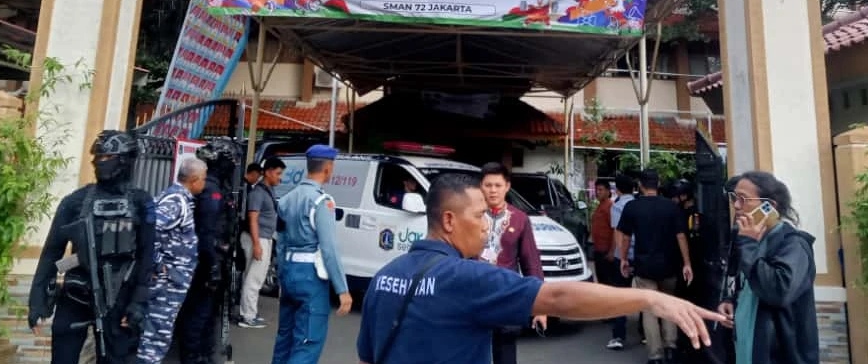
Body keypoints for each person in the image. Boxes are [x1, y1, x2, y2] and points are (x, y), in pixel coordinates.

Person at [355, 174, 728, 364]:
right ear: (449, 221)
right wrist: (649, 298)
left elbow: (368, 354)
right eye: (480, 215)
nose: (487, 225)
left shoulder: (386, 276)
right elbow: (558, 296)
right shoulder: (466, 278)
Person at [27, 131, 155, 364]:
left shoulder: (142, 202)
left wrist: (138, 302)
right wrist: (37, 303)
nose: (100, 162)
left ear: (125, 160)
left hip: (121, 299)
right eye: (98, 156)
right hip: (77, 292)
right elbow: (51, 254)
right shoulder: (75, 201)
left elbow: (147, 255)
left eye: (107, 156)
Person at [719, 171, 819, 364]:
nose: (737, 206)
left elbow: (778, 291)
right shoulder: (752, 239)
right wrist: (731, 301)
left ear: (768, 206)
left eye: (743, 199)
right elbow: (750, 285)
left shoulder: (793, 245)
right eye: (734, 198)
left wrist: (748, 246)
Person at [270, 145, 353, 364]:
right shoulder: (322, 201)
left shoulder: (286, 200)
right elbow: (329, 248)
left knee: (285, 339)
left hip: (289, 271)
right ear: (328, 168)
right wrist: (342, 289)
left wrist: (281, 275)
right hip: (311, 277)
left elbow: (280, 241)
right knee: (308, 341)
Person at [176, 139, 242, 364]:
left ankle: (204, 354)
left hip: (215, 258)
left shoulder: (218, 186)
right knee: (199, 314)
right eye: (231, 162)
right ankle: (193, 357)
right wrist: (212, 264)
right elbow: (206, 231)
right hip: (206, 261)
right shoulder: (210, 188)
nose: (234, 167)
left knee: (209, 313)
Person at [618, 170, 694, 364]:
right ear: (658, 183)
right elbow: (681, 236)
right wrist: (687, 263)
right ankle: (671, 347)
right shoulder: (671, 207)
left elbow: (625, 237)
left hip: (644, 266)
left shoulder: (632, 207)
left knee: (650, 310)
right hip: (669, 265)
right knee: (669, 304)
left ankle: (656, 355)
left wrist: (624, 259)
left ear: (640, 185)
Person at [136, 158, 207, 364]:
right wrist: (160, 264)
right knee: (155, 337)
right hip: (165, 284)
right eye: (203, 179)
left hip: (170, 281)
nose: (204, 184)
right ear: (194, 180)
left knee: (157, 334)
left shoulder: (177, 198)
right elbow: (149, 230)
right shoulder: (176, 201)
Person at [478, 162, 544, 364]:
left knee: (505, 353)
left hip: (506, 295)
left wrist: (540, 306)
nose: (493, 190)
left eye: (497, 185)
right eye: (488, 185)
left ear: (507, 186)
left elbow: (530, 262)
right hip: (474, 293)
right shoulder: (471, 215)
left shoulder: (519, 219)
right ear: (481, 186)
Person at [239, 156, 286, 328]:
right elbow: (253, 218)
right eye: (278, 173)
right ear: (268, 172)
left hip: (263, 237)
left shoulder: (267, 190)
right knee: (254, 278)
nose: (280, 177)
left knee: (252, 277)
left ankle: (249, 312)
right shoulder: (258, 193)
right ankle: (248, 316)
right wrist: (257, 244)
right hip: (257, 238)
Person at [606, 173, 637, 351]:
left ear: (617, 189)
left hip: (623, 257)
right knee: (645, 294)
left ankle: (618, 335)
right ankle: (645, 334)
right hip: (641, 255)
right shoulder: (639, 204)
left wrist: (620, 255)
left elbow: (618, 232)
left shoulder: (617, 207)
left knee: (620, 296)